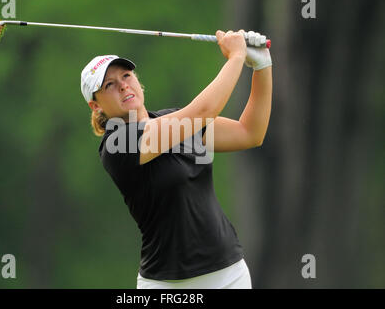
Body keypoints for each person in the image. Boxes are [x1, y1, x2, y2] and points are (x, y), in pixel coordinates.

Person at [80, 30, 272, 289]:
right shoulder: (116, 144)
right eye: (109, 85)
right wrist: (236, 56)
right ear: (96, 106)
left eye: (126, 76)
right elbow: (204, 110)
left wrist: (262, 66)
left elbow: (250, 132)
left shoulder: (176, 120)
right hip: (166, 285)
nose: (123, 85)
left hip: (229, 274)